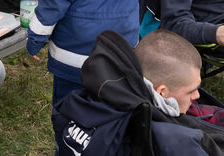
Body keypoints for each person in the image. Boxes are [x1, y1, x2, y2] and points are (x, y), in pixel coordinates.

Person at [52, 29, 224, 156]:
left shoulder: (93, 95)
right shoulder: (177, 141)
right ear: (161, 92)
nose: (197, 96)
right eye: (191, 91)